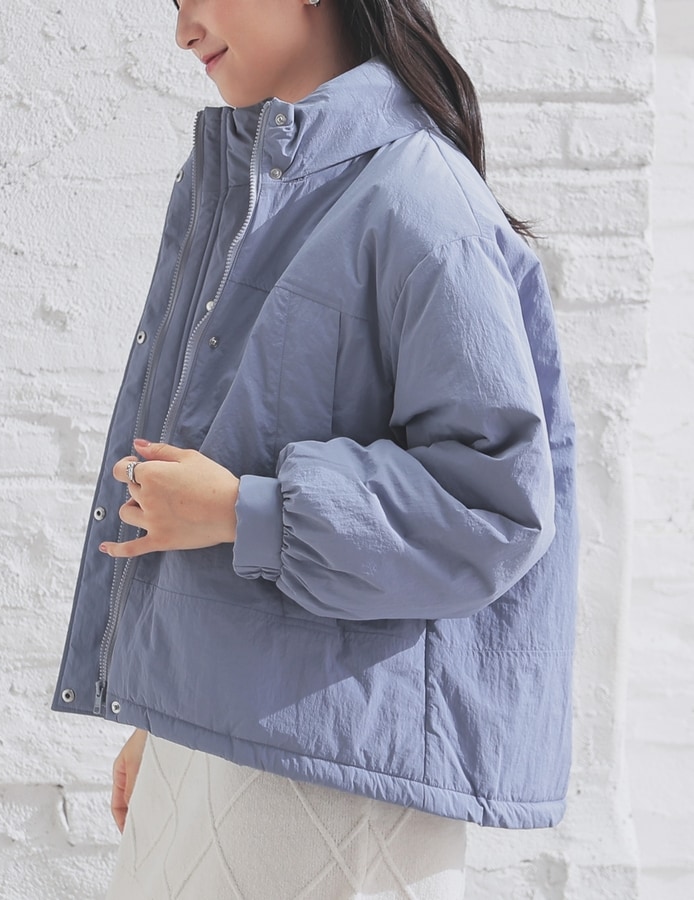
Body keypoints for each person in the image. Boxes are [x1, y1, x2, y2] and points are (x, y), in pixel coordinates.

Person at [52, 0, 578, 897]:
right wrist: (168, 708)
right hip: (222, 736)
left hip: (334, 780)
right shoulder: (254, 187)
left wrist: (245, 509)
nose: (183, 29)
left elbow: (493, 508)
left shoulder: (418, 198)